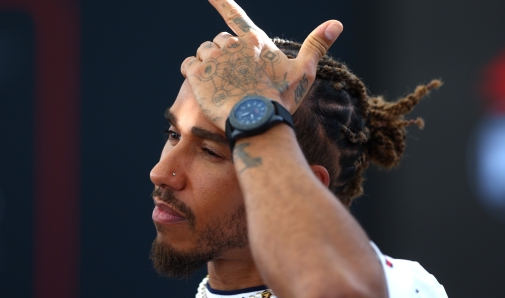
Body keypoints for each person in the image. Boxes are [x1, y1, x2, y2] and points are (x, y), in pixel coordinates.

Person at [149, 0, 448, 297]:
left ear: (309, 184)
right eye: (173, 134)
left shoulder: (402, 286)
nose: (161, 173)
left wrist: (256, 115)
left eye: (210, 152)